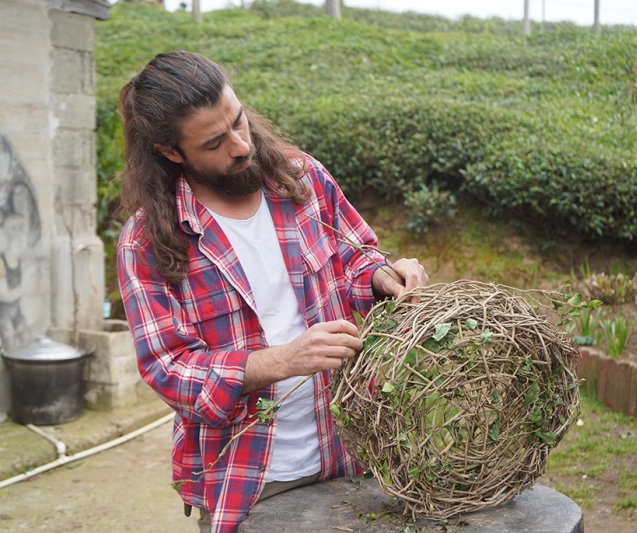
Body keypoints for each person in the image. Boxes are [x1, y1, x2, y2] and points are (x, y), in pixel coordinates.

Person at [116, 51, 428, 533]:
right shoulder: (148, 240)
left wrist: (381, 276)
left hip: (351, 451)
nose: (241, 145)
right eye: (215, 142)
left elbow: (354, 255)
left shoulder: (301, 176)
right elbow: (168, 368)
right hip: (248, 478)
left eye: (238, 120)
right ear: (171, 152)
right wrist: (281, 361)